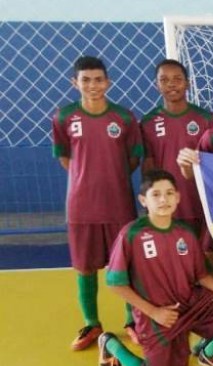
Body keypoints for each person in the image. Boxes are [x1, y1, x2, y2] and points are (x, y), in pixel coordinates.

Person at [98, 169, 213, 366]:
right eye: (156, 194)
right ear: (143, 200)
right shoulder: (131, 234)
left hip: (191, 303)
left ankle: (208, 354)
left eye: (169, 193)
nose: (163, 199)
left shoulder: (185, 233)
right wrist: (153, 312)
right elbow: (115, 283)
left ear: (178, 197)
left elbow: (202, 276)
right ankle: (110, 343)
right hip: (158, 316)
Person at [51, 56, 143, 350]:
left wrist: (111, 178)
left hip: (119, 204)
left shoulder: (124, 118)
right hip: (81, 207)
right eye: (86, 80)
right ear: (74, 83)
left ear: (108, 82)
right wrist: (86, 178)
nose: (93, 85)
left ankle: (133, 321)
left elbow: (133, 158)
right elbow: (65, 157)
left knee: (127, 266)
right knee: (84, 268)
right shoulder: (64, 117)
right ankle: (92, 323)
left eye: (98, 79)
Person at [141, 59, 213, 299]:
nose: (171, 84)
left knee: (208, 258)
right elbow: (148, 166)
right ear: (157, 85)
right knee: (174, 261)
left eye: (177, 79)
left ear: (187, 83)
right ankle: (181, 306)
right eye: (164, 80)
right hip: (169, 208)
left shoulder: (206, 120)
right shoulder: (148, 123)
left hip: (201, 204)